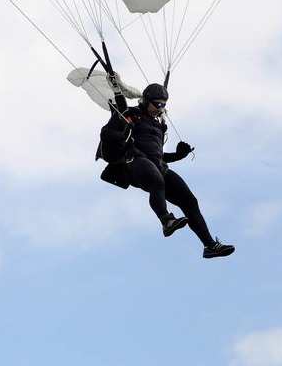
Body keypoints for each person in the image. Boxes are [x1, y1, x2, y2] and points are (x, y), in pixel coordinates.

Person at [98, 80, 235, 259]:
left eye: (164, 105)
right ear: (147, 101)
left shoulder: (158, 125)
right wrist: (125, 132)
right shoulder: (129, 114)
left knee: (189, 200)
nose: (161, 109)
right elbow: (105, 133)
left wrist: (179, 155)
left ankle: (209, 245)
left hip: (156, 165)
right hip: (134, 162)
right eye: (158, 104)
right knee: (156, 180)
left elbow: (158, 155)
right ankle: (166, 220)